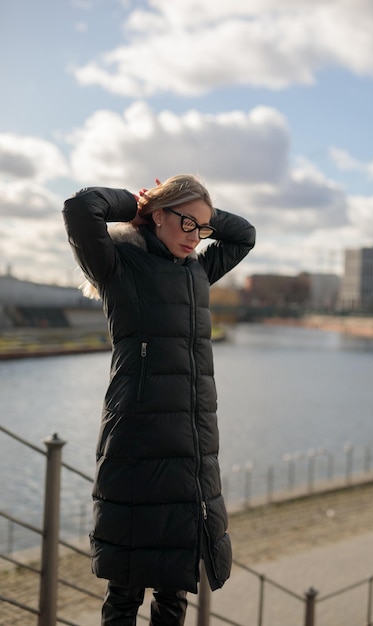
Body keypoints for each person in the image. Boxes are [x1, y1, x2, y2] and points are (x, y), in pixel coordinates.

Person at [62, 174, 256, 626]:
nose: (196, 237)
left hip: (191, 446)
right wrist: (137, 203)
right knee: (125, 589)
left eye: (203, 229)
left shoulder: (198, 272)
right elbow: (80, 207)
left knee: (176, 587)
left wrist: (195, 214)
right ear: (158, 217)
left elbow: (243, 233)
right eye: (186, 223)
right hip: (136, 443)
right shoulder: (118, 266)